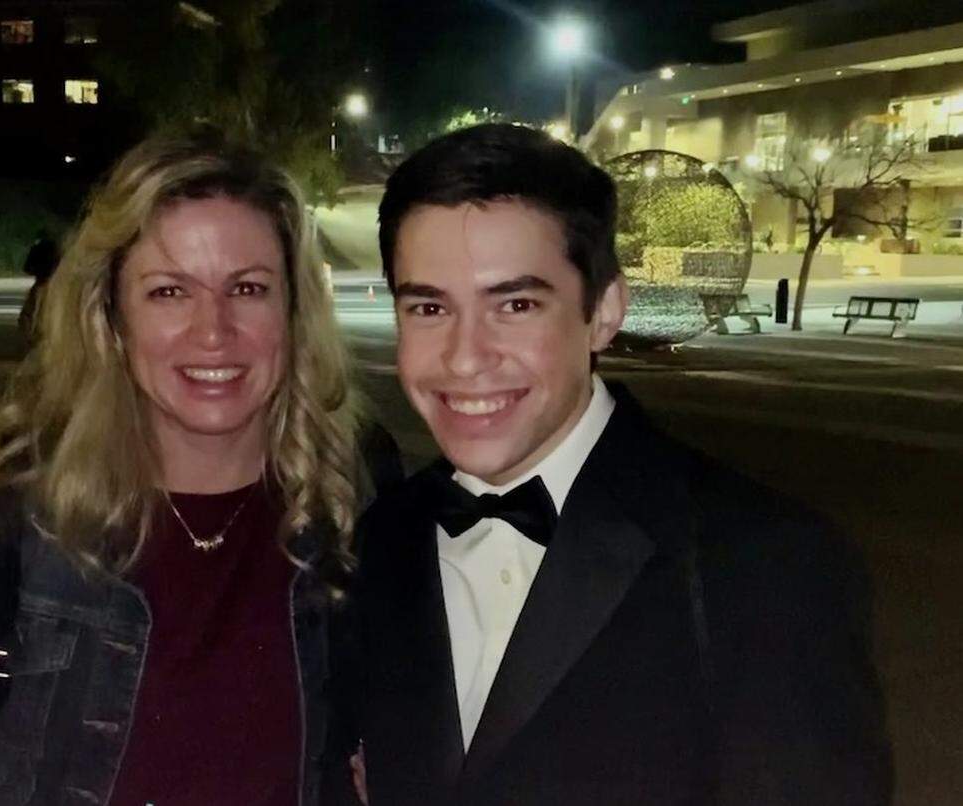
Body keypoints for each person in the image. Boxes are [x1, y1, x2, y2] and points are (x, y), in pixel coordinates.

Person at [332, 123, 892, 805]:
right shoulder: (383, 538)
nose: (465, 356)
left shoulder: (767, 564)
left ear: (603, 311)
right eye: (428, 306)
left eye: (515, 304)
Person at [0, 133, 394, 806]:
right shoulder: (18, 511)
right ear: (111, 314)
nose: (214, 330)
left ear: (293, 309)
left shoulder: (352, 506)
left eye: (248, 288)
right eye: (169, 292)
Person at [17, 229, 59, 338]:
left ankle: (34, 333)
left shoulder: (36, 249)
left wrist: (36, 270)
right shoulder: (57, 249)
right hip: (56, 284)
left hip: (41, 282)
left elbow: (27, 268)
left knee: (29, 311)